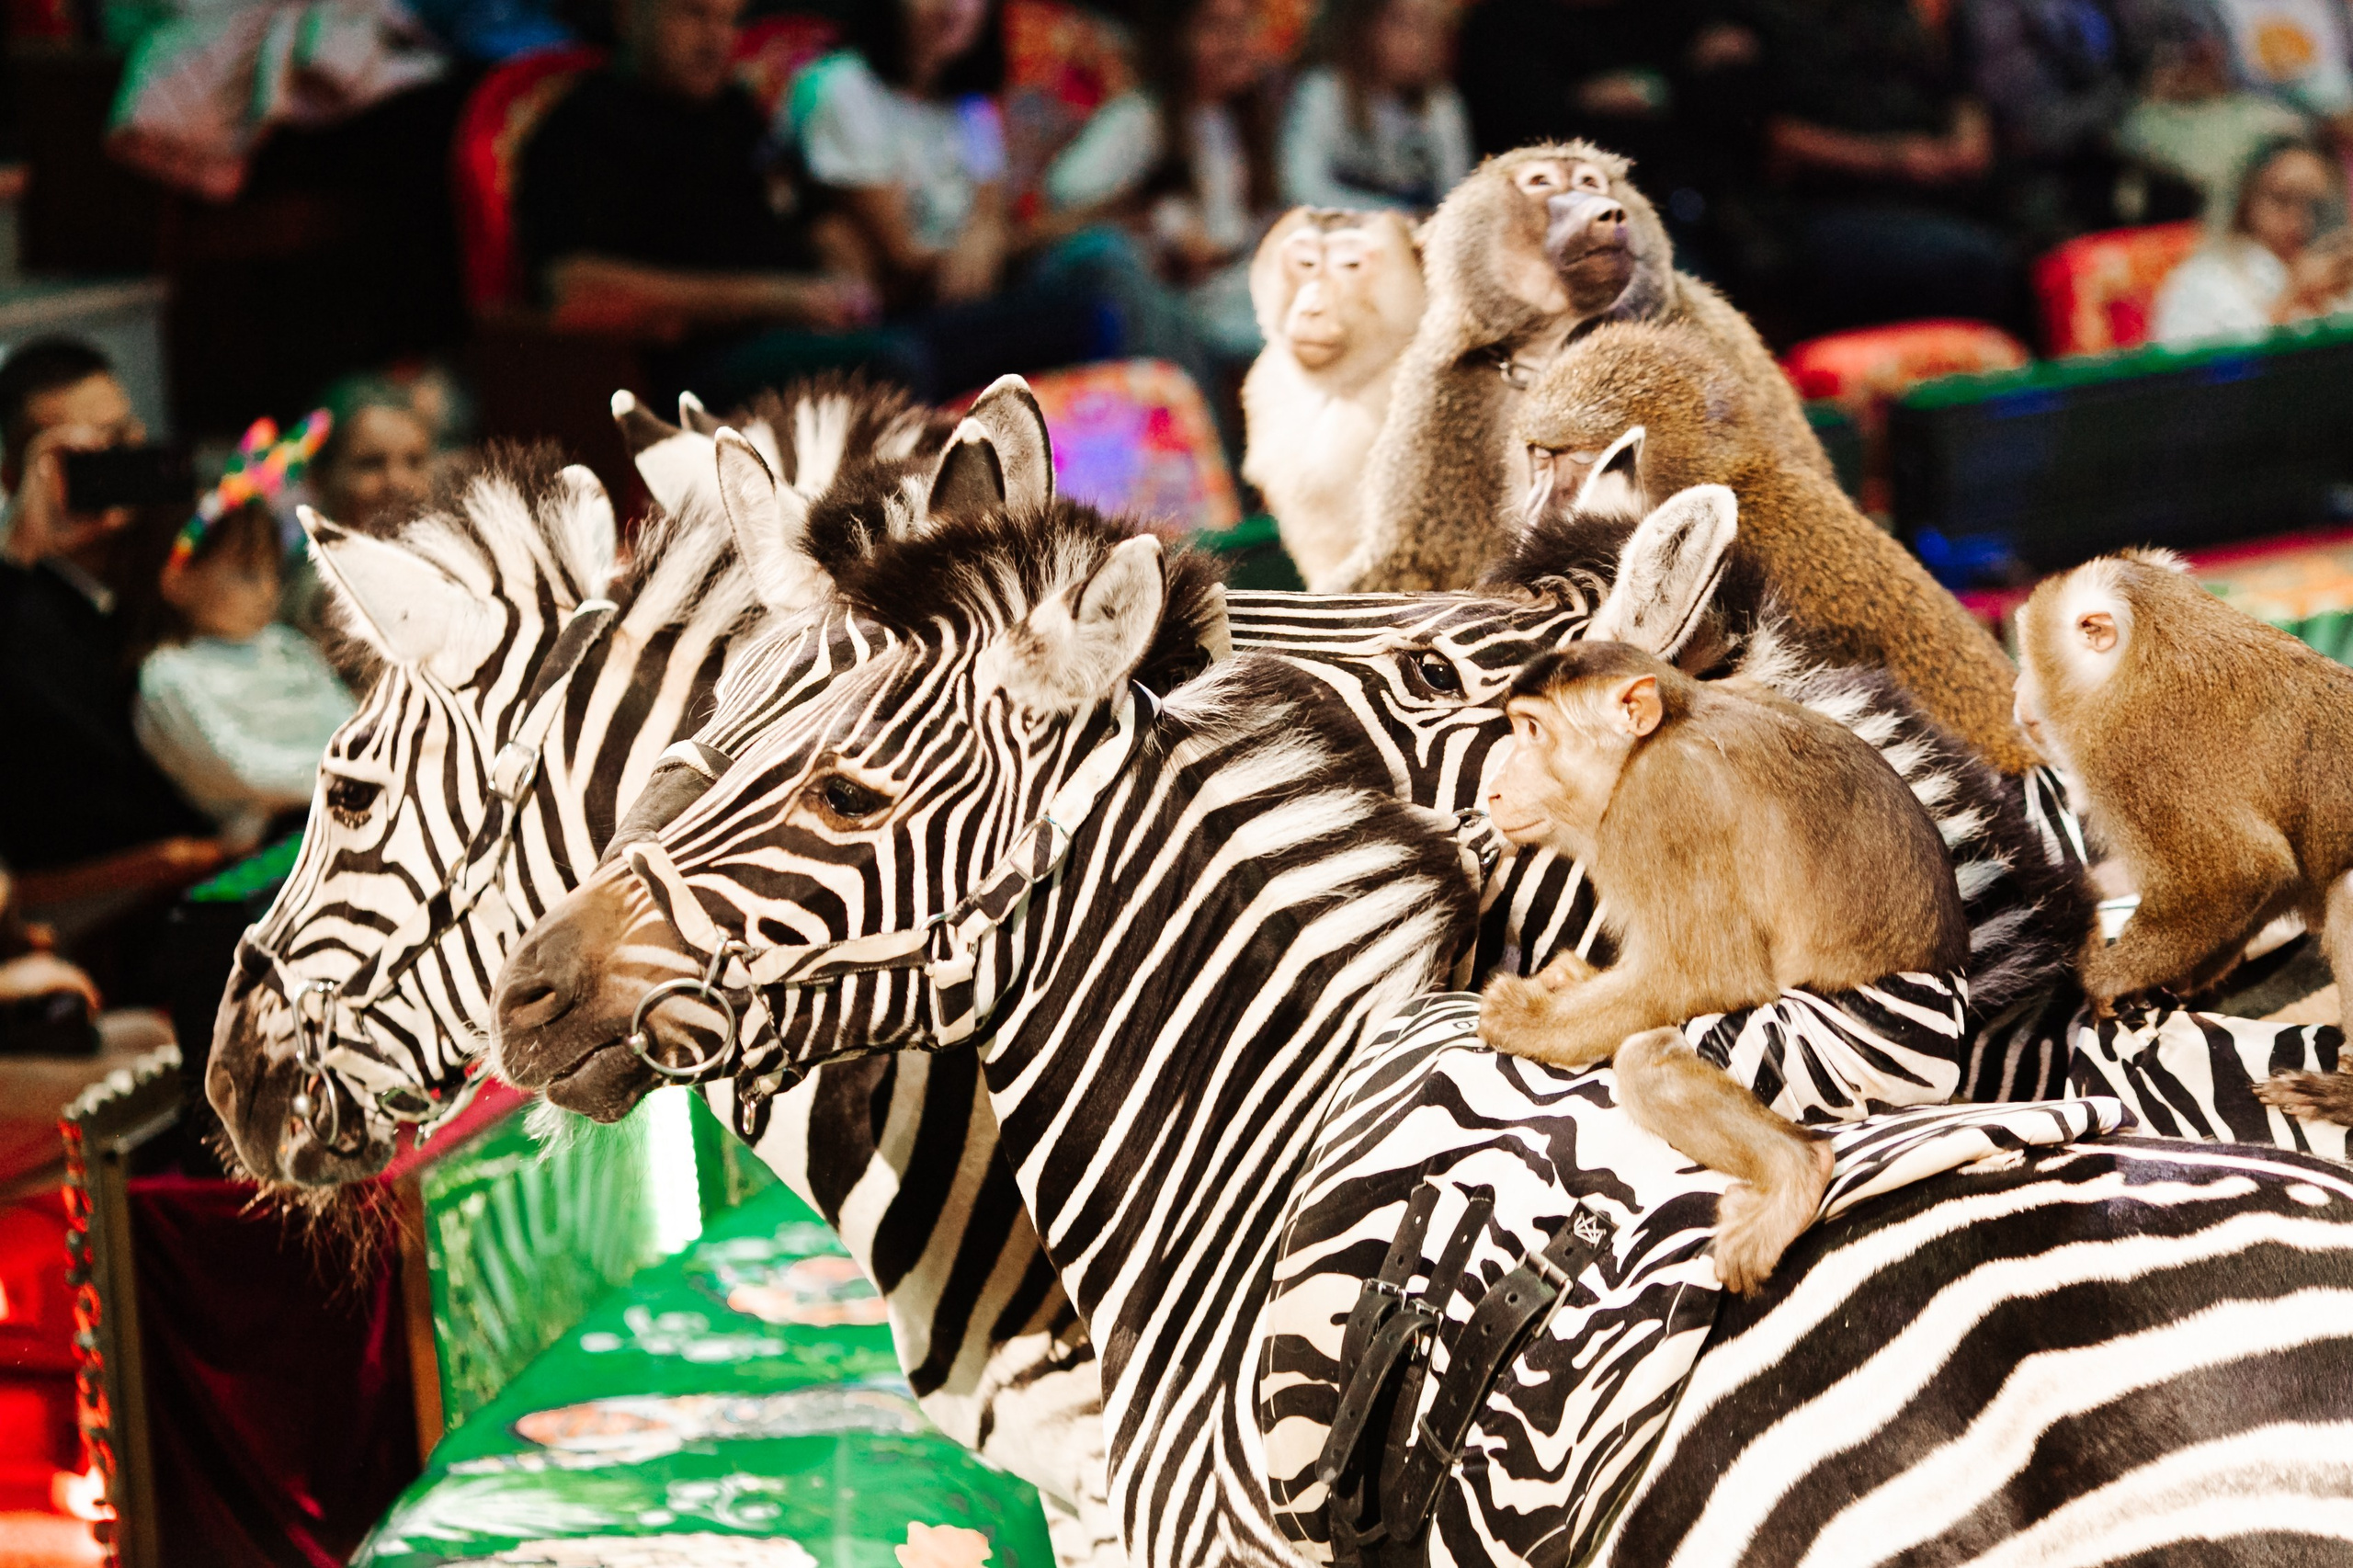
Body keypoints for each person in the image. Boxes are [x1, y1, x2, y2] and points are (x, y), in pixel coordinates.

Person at [513, 0, 892, 400]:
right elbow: (575, 289)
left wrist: (850, 283)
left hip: (809, 332)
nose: (718, 41)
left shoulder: (734, 109)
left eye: (730, 20)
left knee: (956, 336)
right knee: (894, 363)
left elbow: (815, 218)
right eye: (695, 14)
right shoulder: (584, 127)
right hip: (691, 366)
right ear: (628, 15)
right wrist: (776, 300)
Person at [0, 338, 221, 917]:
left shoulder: (181, 555)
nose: (112, 466)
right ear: (14, 476)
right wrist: (21, 548)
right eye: (82, 455)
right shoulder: (19, 608)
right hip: (122, 904)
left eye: (122, 440)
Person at [128, 416, 356, 852]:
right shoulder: (169, 675)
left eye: (273, 569)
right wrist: (351, 775)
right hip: (272, 844)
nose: (268, 588)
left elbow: (350, 726)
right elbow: (244, 770)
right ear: (177, 580)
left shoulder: (286, 646)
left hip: (348, 808)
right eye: (247, 573)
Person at [1743, 0, 2023, 335]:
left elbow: (1955, 89)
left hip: (1937, 190)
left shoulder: (1891, 10)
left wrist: (1968, 140)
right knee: (1973, 262)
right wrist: (1894, 159)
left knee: (2039, 237)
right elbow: (1774, 140)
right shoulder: (1766, 16)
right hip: (1831, 206)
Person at [2153, 132, 2353, 337]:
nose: (2300, 218)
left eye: (2316, 204)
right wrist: (2291, 301)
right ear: (2246, 200)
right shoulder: (2203, 281)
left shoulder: (2337, 276)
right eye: (2283, 199)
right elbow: (2188, 365)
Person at [1279, 0, 1472, 212]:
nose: (1414, 41)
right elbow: (1302, 189)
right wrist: (1395, 216)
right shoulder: (1325, 91)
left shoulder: (1441, 104)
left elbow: (1458, 196)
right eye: (1400, 22)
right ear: (1364, 24)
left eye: (1426, 27)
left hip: (1418, 237)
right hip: (1339, 235)